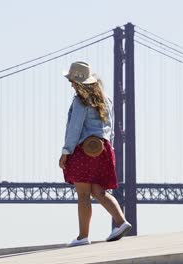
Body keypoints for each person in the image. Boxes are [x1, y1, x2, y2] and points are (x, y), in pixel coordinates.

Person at [59, 61, 132, 247]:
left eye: (72, 80)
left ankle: (83, 237)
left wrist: (66, 151)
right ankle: (121, 221)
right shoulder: (106, 99)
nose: (71, 84)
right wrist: (111, 150)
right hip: (104, 149)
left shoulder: (80, 101)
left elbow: (74, 129)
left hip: (84, 149)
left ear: (79, 82)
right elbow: (112, 129)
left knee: (83, 194)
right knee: (99, 191)